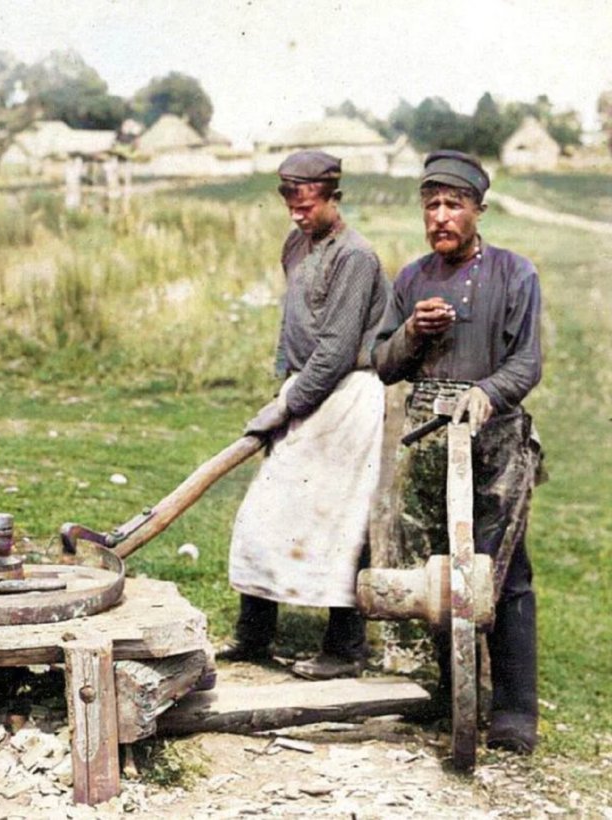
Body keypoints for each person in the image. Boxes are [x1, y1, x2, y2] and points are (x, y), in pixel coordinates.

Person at [372, 150, 543, 754]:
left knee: (503, 571)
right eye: (432, 206)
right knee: (441, 571)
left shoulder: (514, 274)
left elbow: (527, 361)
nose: (441, 217)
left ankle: (517, 709)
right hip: (427, 437)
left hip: (493, 441)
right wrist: (413, 331)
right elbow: (383, 365)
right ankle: (453, 694)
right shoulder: (413, 280)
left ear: (478, 210)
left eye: (454, 205)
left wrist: (487, 392)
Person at [220, 150, 390, 680]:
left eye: (307, 205)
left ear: (333, 196)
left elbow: (338, 350)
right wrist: (284, 384)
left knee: (339, 523)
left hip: (347, 399)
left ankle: (344, 650)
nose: (297, 215)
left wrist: (284, 406)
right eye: (290, 205)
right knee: (264, 513)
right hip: (306, 389)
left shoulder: (356, 257)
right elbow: (292, 324)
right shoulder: (297, 244)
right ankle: (254, 637)